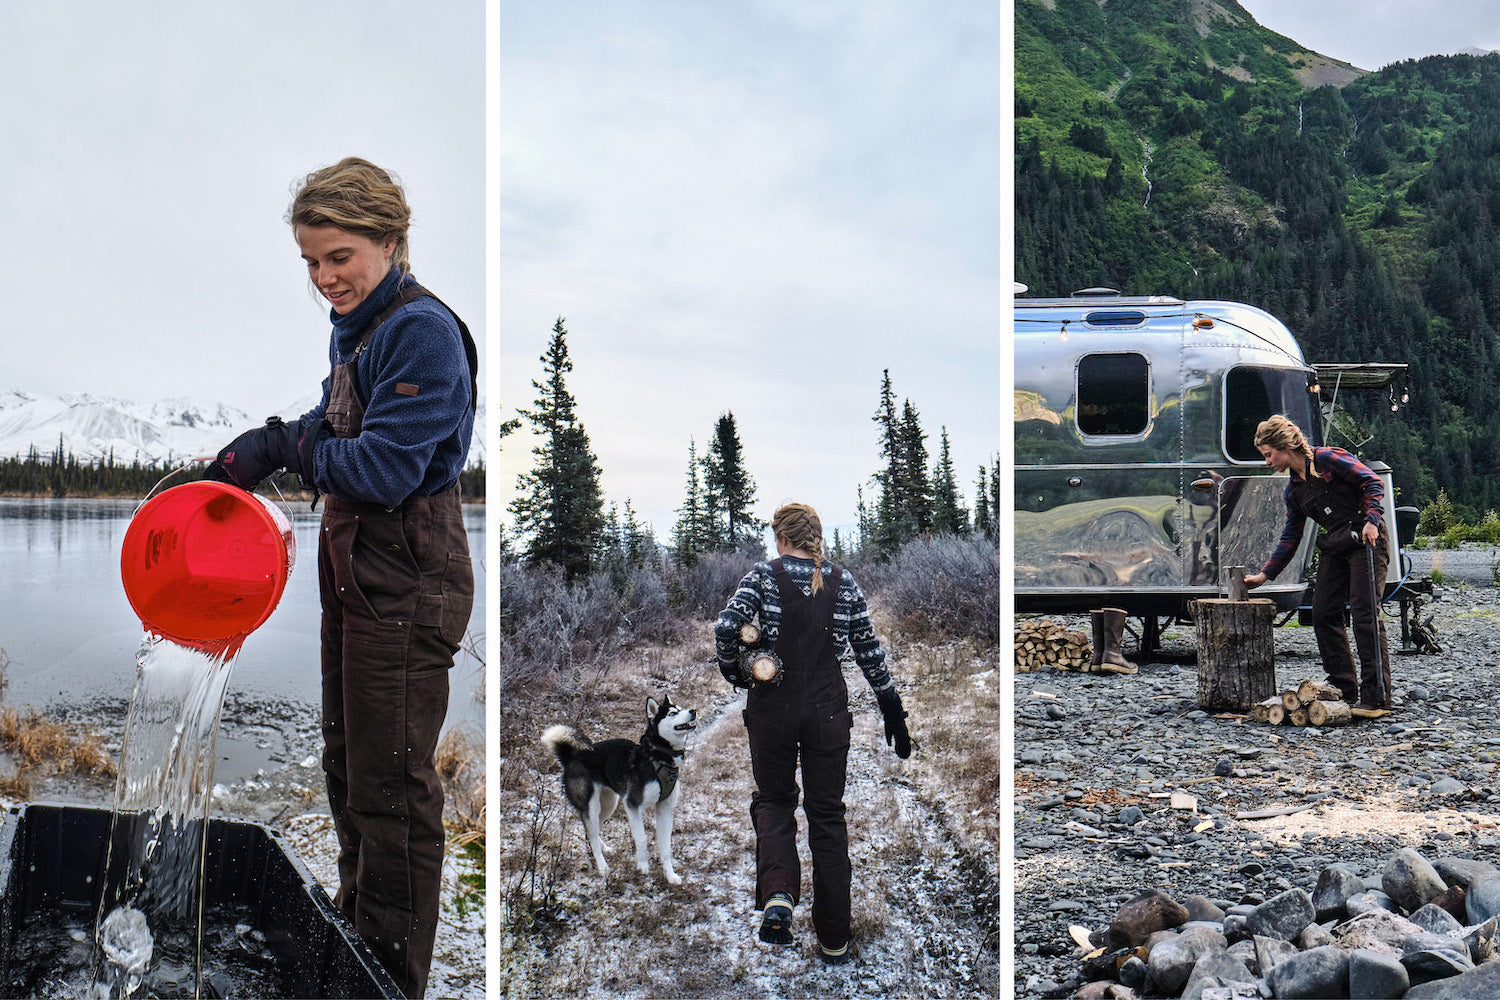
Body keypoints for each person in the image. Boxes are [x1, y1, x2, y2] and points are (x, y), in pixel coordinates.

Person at [204, 157, 477, 998]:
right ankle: (358, 939)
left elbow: (385, 470)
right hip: (356, 576)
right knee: (347, 768)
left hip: (409, 580)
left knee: (392, 791)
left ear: (391, 240)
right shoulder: (359, 326)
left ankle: (387, 978)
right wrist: (257, 447)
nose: (325, 278)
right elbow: (333, 421)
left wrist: (295, 452)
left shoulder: (422, 331)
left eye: (340, 257)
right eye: (311, 263)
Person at [714, 502, 912, 963]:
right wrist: (892, 709)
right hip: (827, 713)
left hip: (772, 712)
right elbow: (869, 653)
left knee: (775, 800)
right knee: (827, 814)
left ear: (781, 538)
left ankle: (779, 895)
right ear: (816, 537)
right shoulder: (845, 583)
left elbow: (726, 628)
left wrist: (739, 674)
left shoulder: (763, 576)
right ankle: (834, 937)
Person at [1243, 415, 1391, 709]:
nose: (1268, 461)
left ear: (1284, 446)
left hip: (1366, 537)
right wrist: (1265, 575)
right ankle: (1344, 687)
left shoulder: (1328, 459)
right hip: (1336, 543)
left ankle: (1377, 695)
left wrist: (1372, 520)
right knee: (1322, 612)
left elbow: (1372, 483)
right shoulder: (1293, 491)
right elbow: (1290, 538)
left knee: (1364, 613)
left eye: (1269, 454)